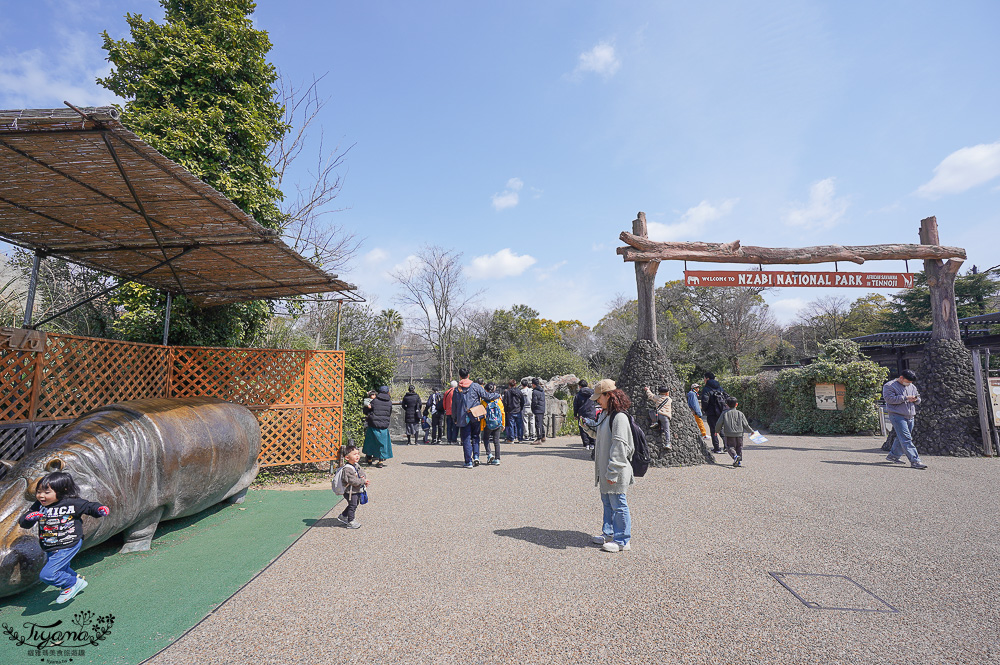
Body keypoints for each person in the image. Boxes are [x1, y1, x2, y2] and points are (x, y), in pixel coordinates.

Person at [18, 471, 110, 603]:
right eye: (39, 492)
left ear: (62, 491)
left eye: (46, 492)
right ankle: (76, 580)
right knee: (62, 568)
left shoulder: (72, 503)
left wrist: (99, 509)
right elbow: (24, 522)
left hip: (69, 543)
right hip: (50, 545)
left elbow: (89, 506)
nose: (41, 496)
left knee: (47, 575)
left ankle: (70, 584)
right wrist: (28, 518)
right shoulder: (39, 506)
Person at [582, 379, 634, 553]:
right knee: (608, 503)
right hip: (606, 470)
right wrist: (587, 427)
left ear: (609, 395)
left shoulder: (619, 417)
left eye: (599, 397)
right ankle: (609, 533)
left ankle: (622, 540)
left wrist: (612, 472)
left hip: (615, 471)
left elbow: (620, 447)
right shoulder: (606, 414)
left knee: (618, 504)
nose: (597, 401)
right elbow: (599, 434)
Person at [882, 369, 928, 470]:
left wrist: (916, 399)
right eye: (908, 381)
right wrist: (906, 398)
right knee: (906, 438)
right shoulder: (889, 385)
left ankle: (893, 455)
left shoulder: (912, 386)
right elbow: (889, 399)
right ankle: (915, 461)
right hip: (897, 415)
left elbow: (918, 399)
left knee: (902, 437)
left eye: (911, 382)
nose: (909, 384)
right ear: (901, 378)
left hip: (910, 415)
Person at [452, 368, 488, 467]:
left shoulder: (457, 389)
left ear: (460, 376)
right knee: (476, 436)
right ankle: (476, 456)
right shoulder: (476, 386)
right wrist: (496, 395)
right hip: (475, 415)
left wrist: (454, 418)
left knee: (466, 439)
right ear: (468, 375)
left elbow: (454, 406)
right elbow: (485, 396)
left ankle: (468, 461)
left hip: (463, 417)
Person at [714, 397, 754, 467]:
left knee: (730, 447)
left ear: (727, 405)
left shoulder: (724, 413)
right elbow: (745, 424)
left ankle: (735, 457)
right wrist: (751, 431)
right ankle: (738, 462)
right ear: (737, 404)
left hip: (729, 434)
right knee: (739, 447)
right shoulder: (740, 413)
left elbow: (719, 423)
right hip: (739, 434)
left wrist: (717, 431)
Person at [336, 445, 370, 529]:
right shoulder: (347, 469)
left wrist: (363, 478)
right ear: (347, 458)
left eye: (358, 454)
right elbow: (352, 481)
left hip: (355, 490)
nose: (357, 456)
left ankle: (343, 515)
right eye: (354, 454)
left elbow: (361, 473)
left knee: (354, 504)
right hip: (350, 492)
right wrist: (362, 481)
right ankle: (351, 521)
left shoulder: (356, 465)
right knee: (353, 505)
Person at [362, 386, 393, 467]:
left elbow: (366, 410)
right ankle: (380, 461)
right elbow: (389, 413)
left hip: (373, 424)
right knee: (382, 444)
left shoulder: (375, 401)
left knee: (370, 442)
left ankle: (369, 459)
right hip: (384, 426)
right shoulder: (389, 403)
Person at [701, 372, 728, 454]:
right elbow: (726, 396)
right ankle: (726, 446)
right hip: (721, 411)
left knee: (713, 430)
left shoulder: (706, 388)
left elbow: (705, 400)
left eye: (704, 378)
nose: (704, 380)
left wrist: (704, 409)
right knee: (721, 428)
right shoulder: (719, 387)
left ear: (707, 378)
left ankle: (716, 448)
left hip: (711, 412)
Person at [480, 382, 505, 465]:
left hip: (488, 423)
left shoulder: (484, 401)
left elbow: (482, 413)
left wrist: (482, 425)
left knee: (485, 438)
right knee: (496, 441)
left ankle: (489, 454)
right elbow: (502, 412)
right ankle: (497, 459)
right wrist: (503, 424)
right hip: (497, 422)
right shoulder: (498, 400)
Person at [643, 385, 673, 451]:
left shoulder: (657, 397)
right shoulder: (669, 399)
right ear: (667, 393)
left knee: (651, 411)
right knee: (667, 430)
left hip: (657, 415)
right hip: (665, 416)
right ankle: (667, 443)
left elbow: (651, 396)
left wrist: (647, 389)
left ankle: (654, 422)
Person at [574, 379, 597, 452]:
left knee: (583, 428)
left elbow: (575, 405)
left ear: (580, 386)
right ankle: (592, 443)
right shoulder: (592, 393)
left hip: (582, 413)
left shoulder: (578, 395)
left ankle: (586, 444)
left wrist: (575, 414)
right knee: (592, 427)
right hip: (591, 412)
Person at [530, 378, 547, 444]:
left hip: (537, 409)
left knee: (538, 424)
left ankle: (539, 438)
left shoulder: (535, 392)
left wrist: (532, 408)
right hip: (542, 408)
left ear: (533, 384)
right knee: (541, 423)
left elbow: (535, 401)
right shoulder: (541, 390)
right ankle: (543, 436)